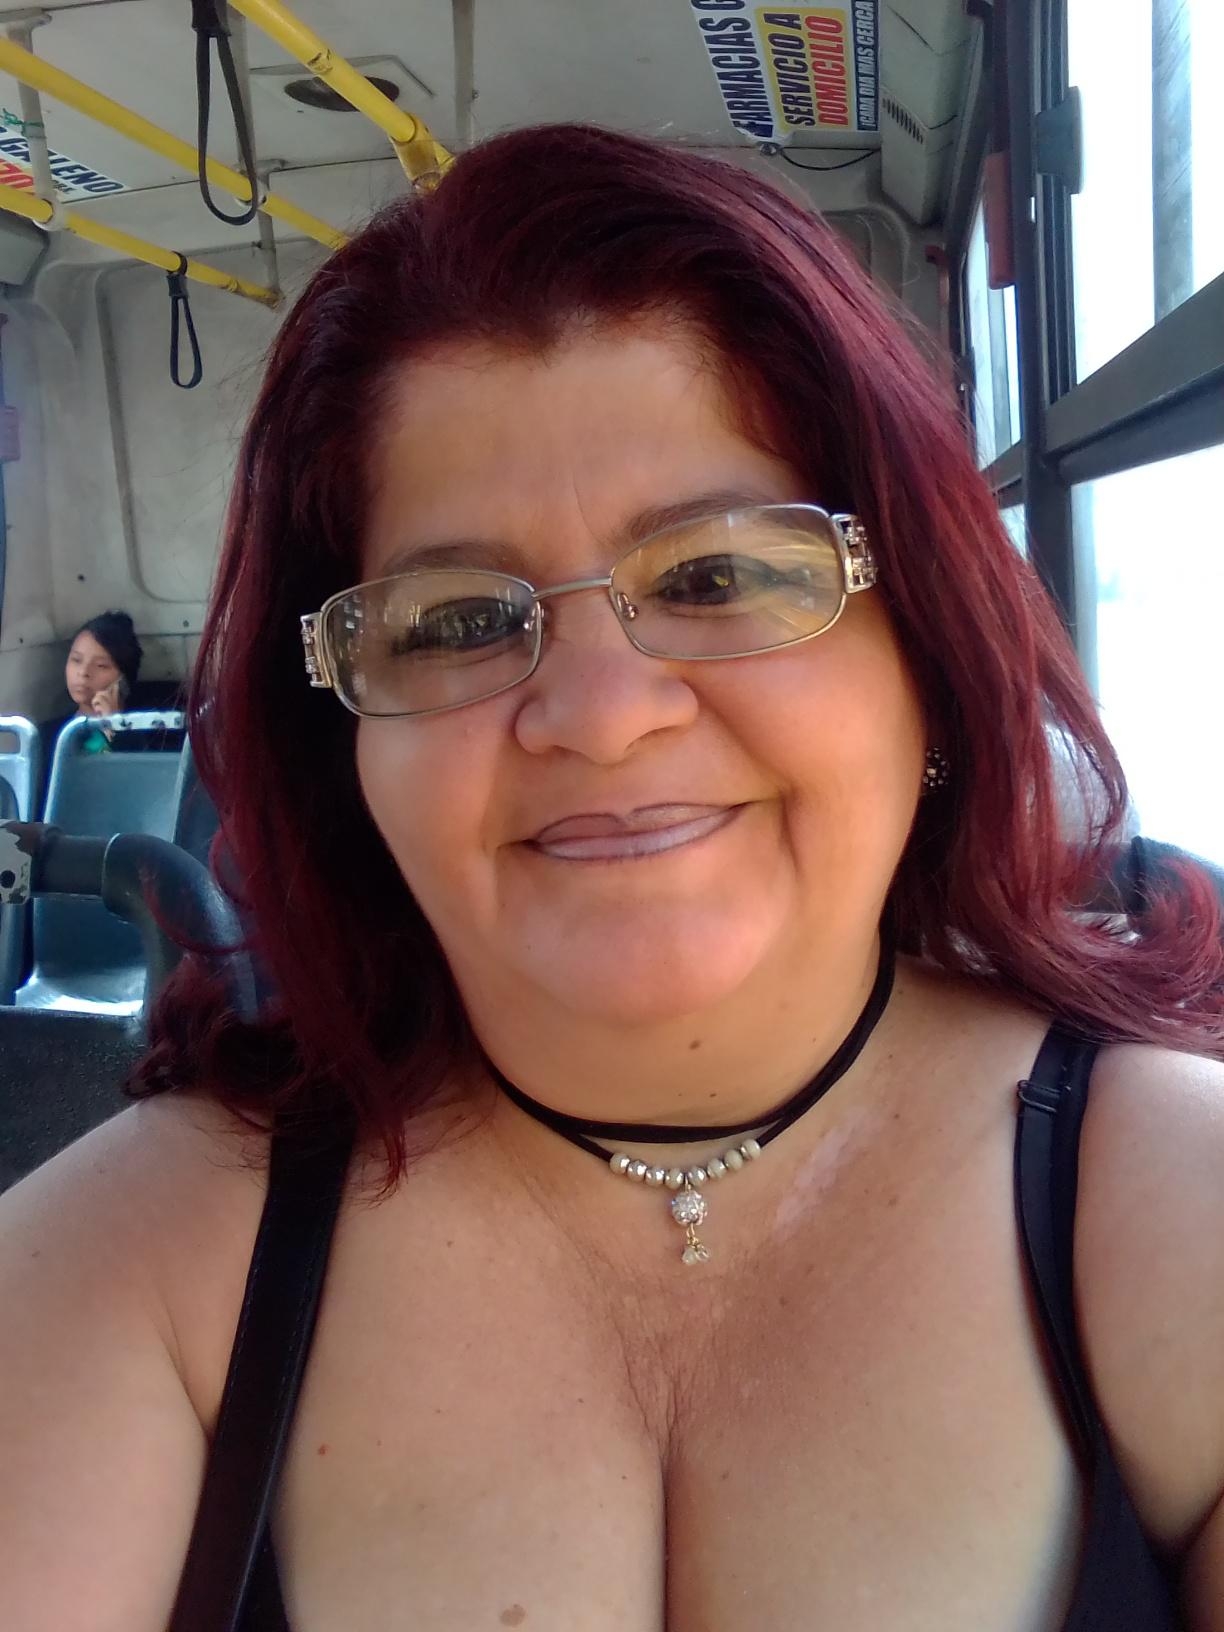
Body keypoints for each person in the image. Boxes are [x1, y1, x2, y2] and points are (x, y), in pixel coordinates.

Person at [2, 124, 1222, 1631]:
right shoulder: (137, 1270)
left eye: (718, 575)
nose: (597, 714)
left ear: (926, 651)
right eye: (455, 622)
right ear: (346, 752)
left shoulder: (1179, 1213)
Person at [37, 609, 143, 781]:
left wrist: (113, 727)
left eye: (101, 665)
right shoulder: (49, 734)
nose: (83, 672)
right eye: (76, 660)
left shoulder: (140, 735)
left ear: (123, 679)